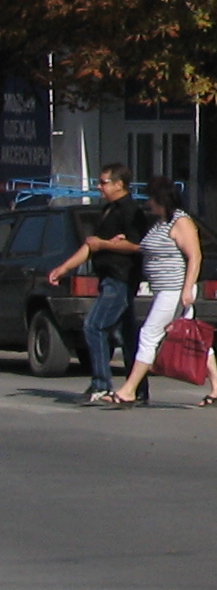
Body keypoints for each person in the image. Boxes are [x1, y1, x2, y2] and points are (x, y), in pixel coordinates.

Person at [103, 178, 217, 409]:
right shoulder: (162, 222)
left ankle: (129, 390)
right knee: (193, 338)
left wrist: (186, 289)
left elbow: (195, 256)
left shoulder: (181, 221)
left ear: (161, 198)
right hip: (164, 289)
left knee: (148, 335)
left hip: (175, 289)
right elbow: (151, 248)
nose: (149, 202)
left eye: (152, 197)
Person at [49, 163, 151, 407]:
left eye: (104, 182)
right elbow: (91, 245)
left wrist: (105, 245)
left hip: (121, 278)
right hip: (107, 278)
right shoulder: (108, 210)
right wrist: (63, 268)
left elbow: (138, 245)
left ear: (119, 184)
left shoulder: (130, 211)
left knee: (94, 326)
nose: (99, 186)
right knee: (127, 336)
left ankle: (101, 385)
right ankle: (137, 389)